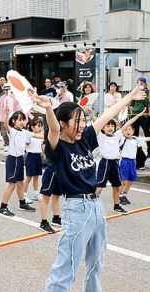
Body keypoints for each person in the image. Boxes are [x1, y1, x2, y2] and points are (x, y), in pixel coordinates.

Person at [32, 84, 146, 291]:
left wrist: (130, 95)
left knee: (95, 266)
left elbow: (107, 114)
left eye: (84, 120)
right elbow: (54, 129)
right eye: (78, 121)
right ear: (64, 124)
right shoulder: (58, 146)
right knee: (66, 269)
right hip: (76, 209)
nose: (83, 125)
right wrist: (49, 108)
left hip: (96, 208)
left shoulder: (84, 139)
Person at [95, 114, 142, 214]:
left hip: (115, 163)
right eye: (108, 126)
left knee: (116, 186)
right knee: (99, 187)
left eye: (112, 126)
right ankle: (91, 205)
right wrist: (91, 113)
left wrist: (138, 115)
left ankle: (116, 206)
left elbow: (128, 123)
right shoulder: (101, 136)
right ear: (103, 127)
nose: (110, 128)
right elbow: (97, 123)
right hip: (105, 163)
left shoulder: (117, 136)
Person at [119, 111, 150, 205]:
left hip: (132, 162)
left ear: (133, 131)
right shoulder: (121, 140)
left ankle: (124, 195)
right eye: (126, 130)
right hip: (124, 161)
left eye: (130, 129)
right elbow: (119, 131)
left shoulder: (136, 139)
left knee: (131, 180)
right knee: (123, 181)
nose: (128, 131)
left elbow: (147, 138)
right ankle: (119, 196)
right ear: (123, 132)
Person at [22, 118, 44, 202]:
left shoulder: (41, 136)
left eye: (41, 126)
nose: (40, 128)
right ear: (32, 127)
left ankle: (35, 193)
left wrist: (44, 153)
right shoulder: (29, 135)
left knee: (36, 177)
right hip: (30, 156)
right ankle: (23, 195)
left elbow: (42, 145)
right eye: (38, 126)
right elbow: (25, 144)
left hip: (38, 156)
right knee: (28, 177)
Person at [130, 77, 150, 157]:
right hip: (134, 115)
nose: (140, 84)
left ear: (145, 84)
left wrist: (143, 94)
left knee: (147, 133)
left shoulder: (147, 92)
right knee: (134, 134)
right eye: (138, 83)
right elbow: (131, 104)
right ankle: (137, 153)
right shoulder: (135, 92)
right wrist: (132, 113)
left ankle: (149, 151)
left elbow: (147, 103)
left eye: (142, 83)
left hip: (144, 115)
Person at [0, 84, 20, 148]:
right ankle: (7, 144)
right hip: (4, 116)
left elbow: (18, 106)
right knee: (4, 131)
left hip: (13, 116)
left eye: (8, 89)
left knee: (14, 130)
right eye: (5, 90)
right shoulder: (2, 98)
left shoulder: (14, 97)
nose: (7, 91)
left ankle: (14, 143)